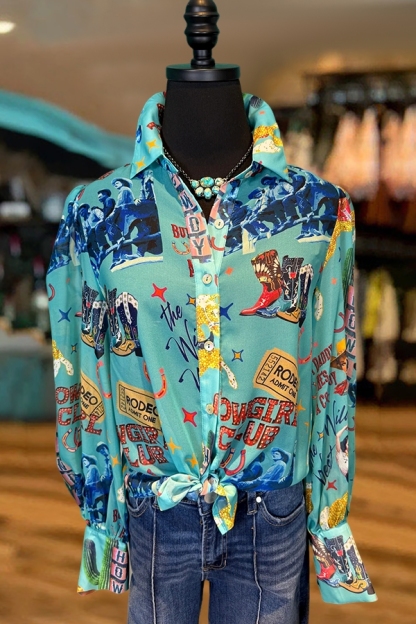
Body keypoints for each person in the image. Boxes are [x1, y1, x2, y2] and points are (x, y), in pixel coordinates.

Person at [47, 87, 376, 623]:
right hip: (157, 506)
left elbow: (333, 368)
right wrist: (101, 512)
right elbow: (81, 365)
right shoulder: (99, 212)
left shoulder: (320, 209)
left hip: (271, 511)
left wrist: (330, 512)